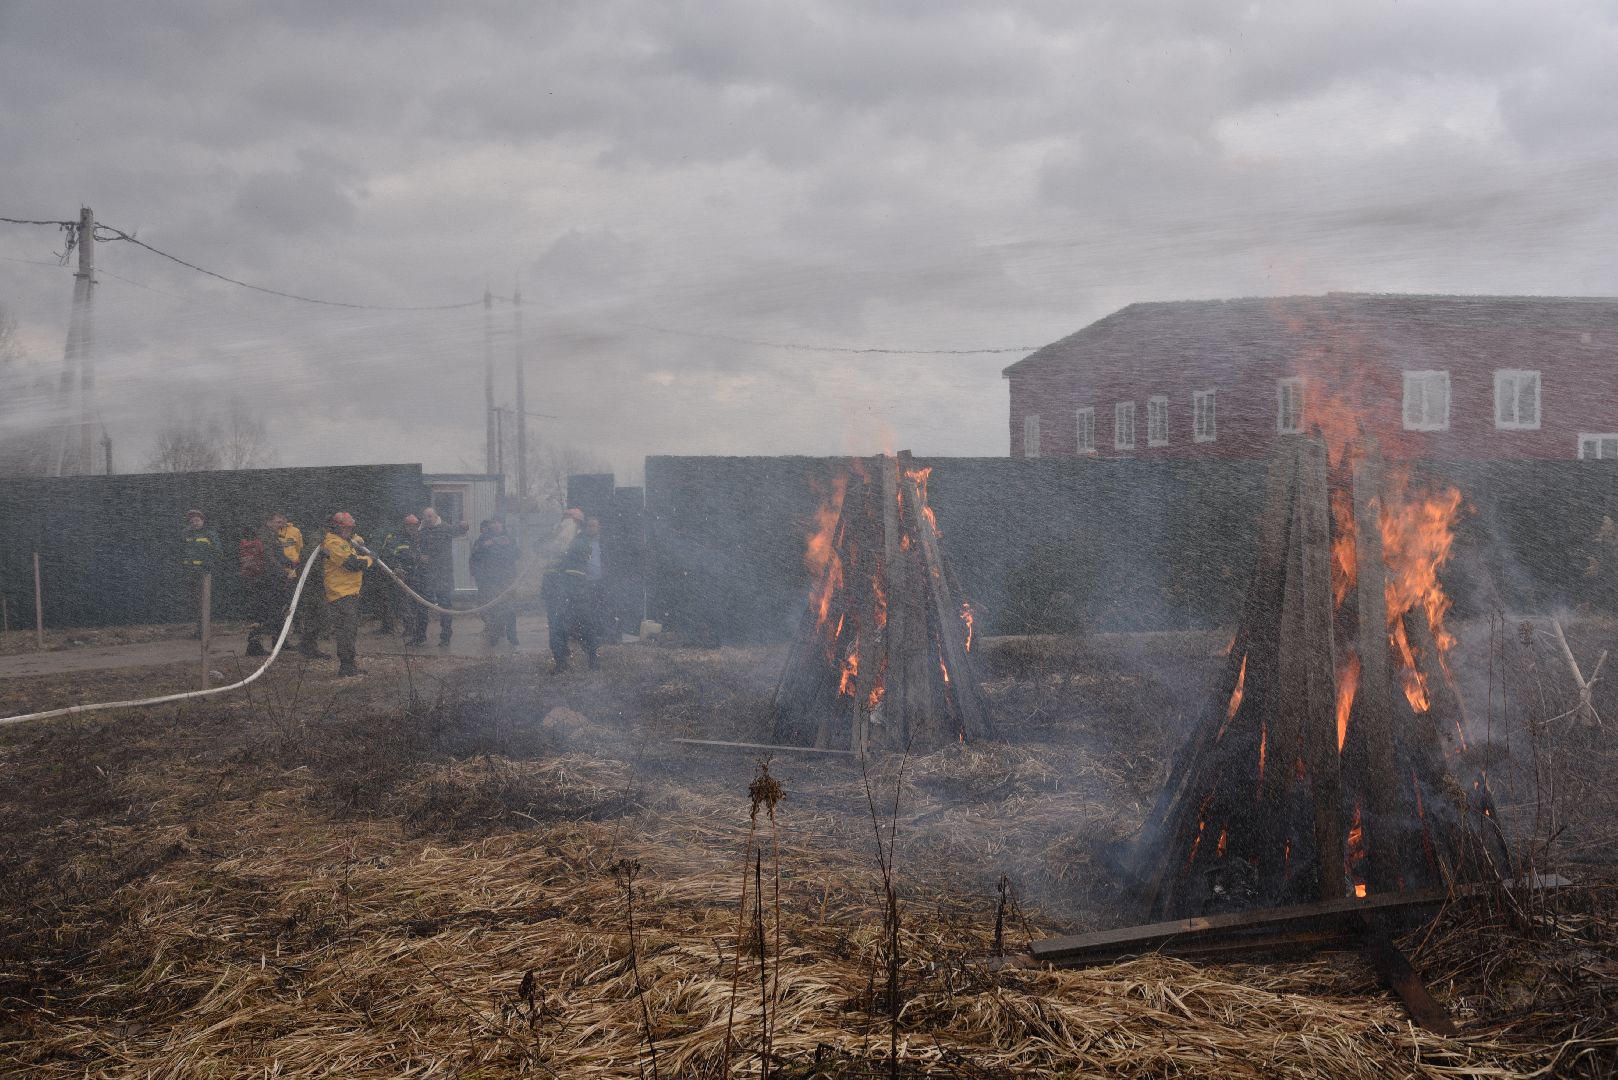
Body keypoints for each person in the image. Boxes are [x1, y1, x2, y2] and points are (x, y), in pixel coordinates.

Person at [315, 511, 374, 677]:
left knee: (350, 630)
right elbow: (352, 564)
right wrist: (370, 559)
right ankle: (346, 666)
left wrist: (355, 540)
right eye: (345, 528)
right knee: (346, 631)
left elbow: (348, 547)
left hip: (349, 593)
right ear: (336, 527)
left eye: (350, 529)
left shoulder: (343, 541)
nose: (349, 531)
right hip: (341, 594)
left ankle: (350, 664)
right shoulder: (334, 543)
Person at [544, 508, 597, 672]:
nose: (566, 523)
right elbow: (537, 546)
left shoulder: (582, 540)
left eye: (570, 520)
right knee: (556, 625)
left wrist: (557, 545)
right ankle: (561, 661)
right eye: (564, 520)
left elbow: (573, 551)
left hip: (575, 590)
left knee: (583, 624)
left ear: (577, 523)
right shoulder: (555, 537)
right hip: (554, 589)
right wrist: (552, 539)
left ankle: (593, 658)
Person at [245, 511, 303, 657]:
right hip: (266, 581)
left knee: (278, 610)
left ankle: (279, 641)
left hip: (269, 580)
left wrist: (290, 562)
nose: (281, 524)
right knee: (263, 613)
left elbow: (277, 555)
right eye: (278, 521)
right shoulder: (266, 537)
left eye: (282, 521)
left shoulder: (271, 535)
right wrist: (284, 573)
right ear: (268, 522)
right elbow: (269, 559)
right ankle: (255, 645)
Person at [418, 507, 469, 646]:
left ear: (436, 516)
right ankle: (420, 635)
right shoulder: (422, 531)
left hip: (442, 575)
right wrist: (420, 557)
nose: (428, 519)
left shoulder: (444, 527)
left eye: (430, 516)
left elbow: (458, 530)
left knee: (445, 606)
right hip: (427, 575)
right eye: (425, 516)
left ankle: (445, 637)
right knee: (422, 605)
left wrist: (464, 526)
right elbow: (419, 549)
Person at [470, 515, 520, 646]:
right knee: (493, 608)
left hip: (507, 579)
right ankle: (494, 635)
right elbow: (475, 555)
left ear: (503, 525)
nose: (497, 525)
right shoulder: (484, 538)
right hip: (491, 579)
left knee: (509, 608)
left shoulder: (509, 538)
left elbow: (517, 554)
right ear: (491, 525)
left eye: (499, 522)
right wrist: (486, 545)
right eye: (494, 523)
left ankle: (512, 635)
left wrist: (508, 546)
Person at [383, 514, 430, 646]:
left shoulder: (423, 539)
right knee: (406, 606)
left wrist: (425, 560)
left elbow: (431, 557)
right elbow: (388, 556)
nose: (412, 528)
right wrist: (396, 567)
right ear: (405, 526)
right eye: (409, 525)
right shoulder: (398, 540)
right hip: (405, 579)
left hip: (421, 578)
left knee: (421, 608)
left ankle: (420, 635)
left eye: (414, 526)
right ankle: (411, 630)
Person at [180, 509, 221, 638]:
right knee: (194, 602)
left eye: (197, 520)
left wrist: (209, 563)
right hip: (189, 572)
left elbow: (218, 551)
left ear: (202, 520)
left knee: (204, 602)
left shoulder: (210, 533)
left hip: (203, 573)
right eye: (192, 520)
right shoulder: (186, 533)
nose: (194, 522)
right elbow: (181, 551)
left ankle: (204, 631)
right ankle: (200, 630)